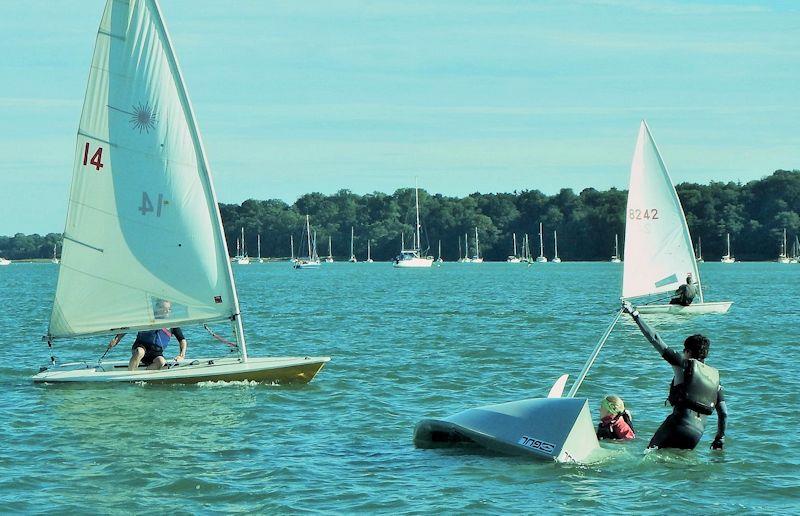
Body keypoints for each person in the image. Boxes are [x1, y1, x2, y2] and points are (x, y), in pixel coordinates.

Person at [622, 301, 727, 450]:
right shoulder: (714, 380)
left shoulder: (684, 364)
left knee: (650, 455)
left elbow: (655, 339)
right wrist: (720, 438)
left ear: (689, 352)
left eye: (684, 350)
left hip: (677, 425)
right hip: (697, 434)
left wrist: (635, 314)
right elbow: (723, 414)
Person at [105, 299, 188, 371]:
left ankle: (144, 375)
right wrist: (116, 340)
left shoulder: (172, 325)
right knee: (139, 352)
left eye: (169, 309)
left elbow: (182, 340)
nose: (167, 311)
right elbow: (128, 327)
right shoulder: (147, 319)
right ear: (157, 308)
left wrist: (182, 355)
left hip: (156, 353)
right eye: (163, 308)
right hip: (141, 347)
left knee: (161, 361)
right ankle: (131, 374)